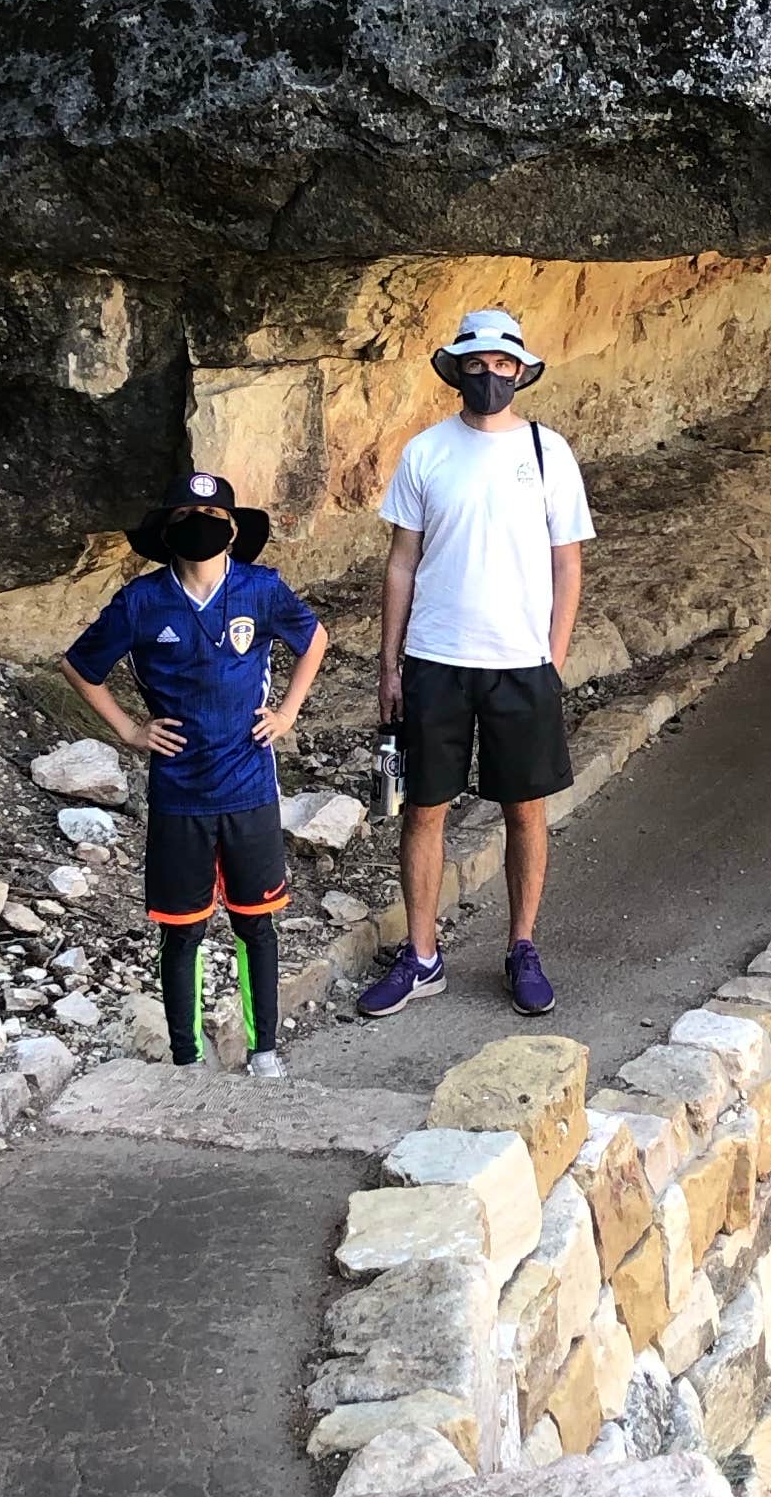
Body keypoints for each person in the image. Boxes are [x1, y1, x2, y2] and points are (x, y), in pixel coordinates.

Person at [358, 307, 590, 1021]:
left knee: (526, 809)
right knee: (424, 809)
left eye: (502, 365)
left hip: (519, 662)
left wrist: (552, 658)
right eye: (477, 364)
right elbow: (402, 563)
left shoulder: (549, 452)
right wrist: (390, 663)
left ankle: (522, 946)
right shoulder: (426, 452)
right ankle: (422, 956)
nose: (489, 376)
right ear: (456, 369)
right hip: (436, 656)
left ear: (521, 371)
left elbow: (568, 563)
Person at [61, 471, 329, 1079]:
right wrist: (129, 731)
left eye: (212, 517)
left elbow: (314, 640)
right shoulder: (142, 601)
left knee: (255, 924)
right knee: (182, 933)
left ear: (233, 530)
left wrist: (287, 712)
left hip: (249, 787)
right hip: (179, 793)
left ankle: (265, 1052)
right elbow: (80, 666)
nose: (201, 526)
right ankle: (185, 1059)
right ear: (167, 531)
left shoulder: (261, 589)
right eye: (185, 516)